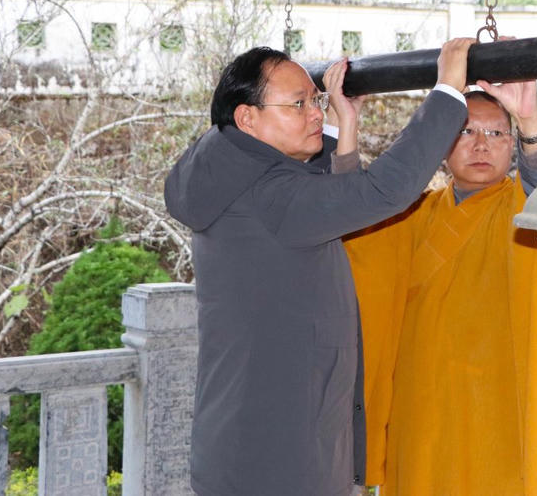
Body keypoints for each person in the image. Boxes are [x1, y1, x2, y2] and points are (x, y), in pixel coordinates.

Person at [164, 39, 473, 496]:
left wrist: (337, 126)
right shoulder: (269, 200)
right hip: (278, 460)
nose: (313, 112)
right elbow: (382, 192)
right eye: (298, 104)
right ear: (248, 117)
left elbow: (327, 206)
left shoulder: (233, 178)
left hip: (255, 440)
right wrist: (447, 91)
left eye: (315, 100)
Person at [341, 76, 537, 496]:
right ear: (440, 146)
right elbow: (351, 216)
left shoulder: (524, 210)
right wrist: (344, 130)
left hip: (498, 413)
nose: (481, 145)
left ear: (511, 145)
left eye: (495, 133)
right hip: (420, 414)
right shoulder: (408, 214)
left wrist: (530, 122)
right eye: (464, 131)